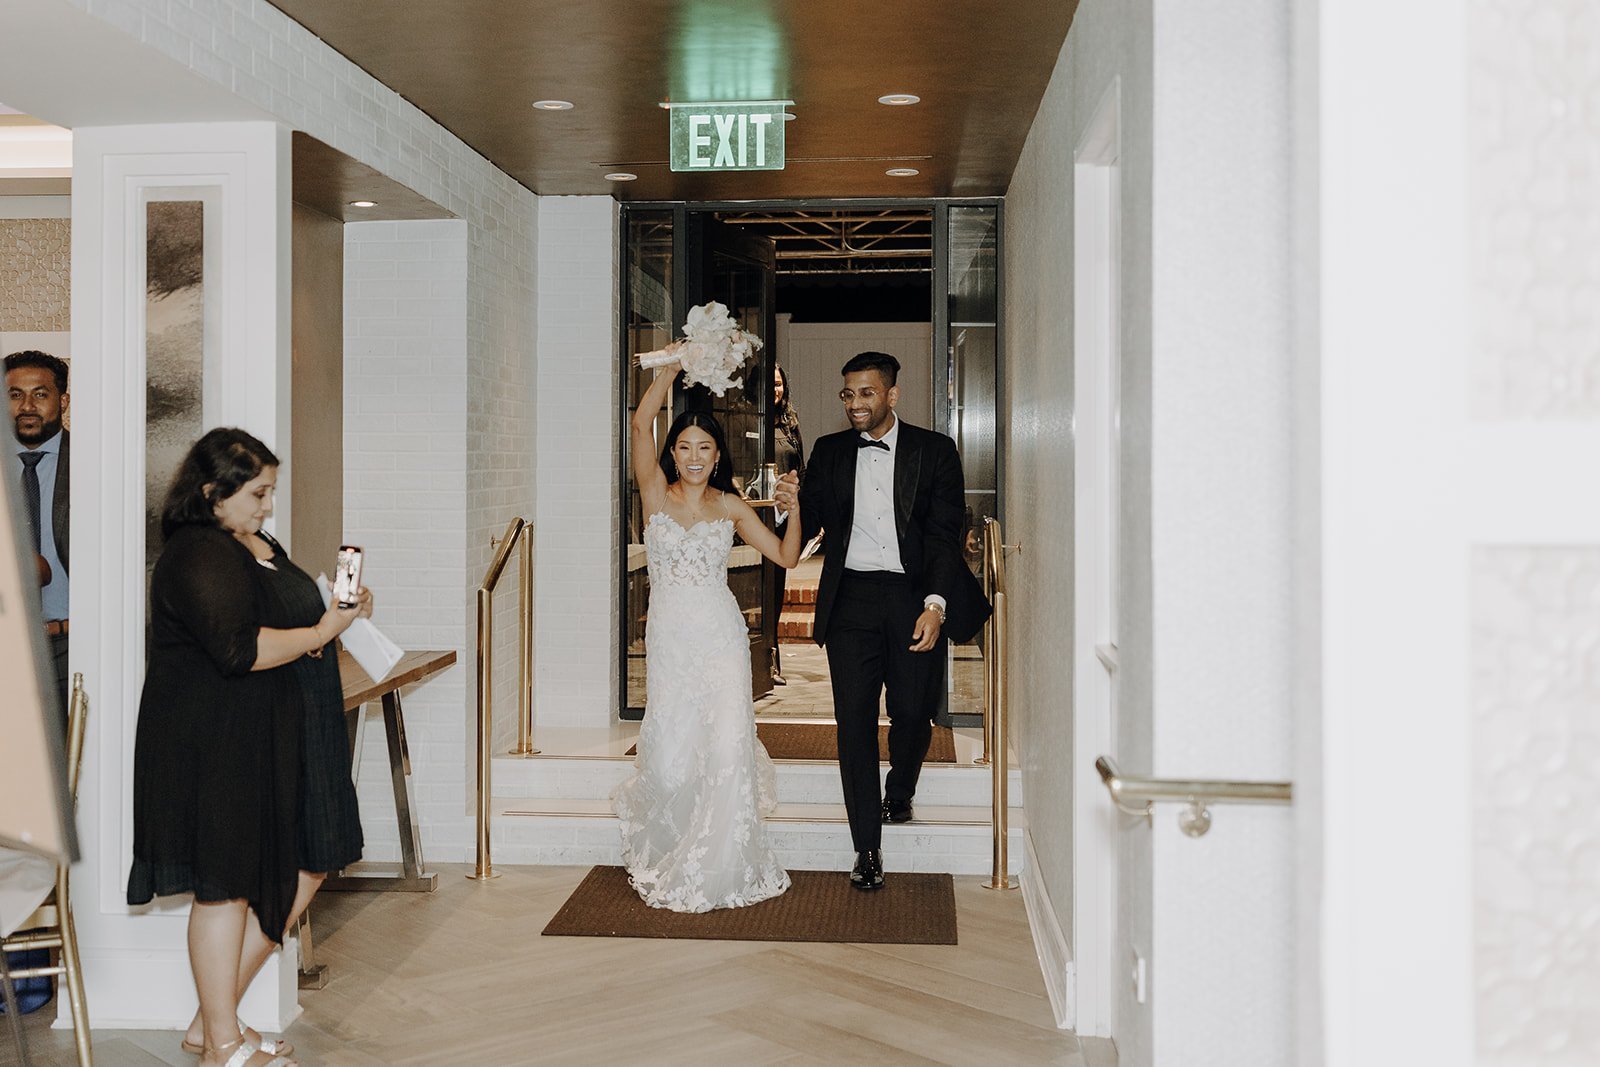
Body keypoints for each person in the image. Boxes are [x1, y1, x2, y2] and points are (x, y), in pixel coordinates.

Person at [126, 428, 371, 1067]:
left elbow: (286, 619)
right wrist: (322, 628)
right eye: (258, 493)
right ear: (213, 492)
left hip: (269, 731)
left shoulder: (252, 542)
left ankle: (212, 1025)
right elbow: (240, 649)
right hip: (214, 742)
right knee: (226, 887)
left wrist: (336, 616)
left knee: (298, 864)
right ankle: (222, 1045)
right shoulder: (198, 554)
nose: (267, 506)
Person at [775, 351, 989, 891]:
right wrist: (790, 504)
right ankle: (866, 846)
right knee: (853, 722)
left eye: (866, 393)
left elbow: (943, 536)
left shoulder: (935, 451)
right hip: (851, 601)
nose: (855, 404)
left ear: (891, 394)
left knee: (914, 715)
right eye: (847, 394)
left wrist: (936, 606)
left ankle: (901, 790)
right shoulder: (828, 451)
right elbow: (812, 522)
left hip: (914, 594)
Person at [612, 352, 804, 911]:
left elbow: (787, 558)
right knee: (671, 750)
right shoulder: (653, 492)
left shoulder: (731, 506)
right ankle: (674, 842)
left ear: (718, 455)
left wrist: (793, 510)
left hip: (720, 640)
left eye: (705, 448)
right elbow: (637, 423)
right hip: (671, 638)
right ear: (672, 453)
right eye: (684, 447)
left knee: (725, 745)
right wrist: (673, 366)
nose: (694, 457)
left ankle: (723, 860)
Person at [6, 350, 71, 728]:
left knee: (76, 778)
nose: (27, 406)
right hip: (5, 646)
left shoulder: (94, 463)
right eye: (15, 395)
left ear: (62, 400)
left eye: (40, 394)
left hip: (70, 646)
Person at [768, 363, 805, 685]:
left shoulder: (791, 424)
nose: (775, 389)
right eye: (768, 383)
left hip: (781, 519)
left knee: (777, 589)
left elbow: (801, 470)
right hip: (753, 517)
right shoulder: (743, 420)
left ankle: (772, 660)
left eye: (779, 383)